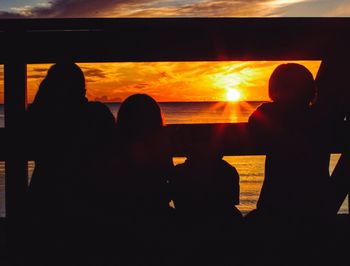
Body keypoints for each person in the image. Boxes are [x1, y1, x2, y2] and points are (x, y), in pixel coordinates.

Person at [25, 62, 115, 265]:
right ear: (83, 90)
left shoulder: (39, 118)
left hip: (44, 207)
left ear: (49, 87)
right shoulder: (96, 115)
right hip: (89, 209)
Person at [247, 63, 334, 265]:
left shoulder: (271, 115)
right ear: (310, 91)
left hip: (277, 205)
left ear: (275, 91)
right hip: (317, 207)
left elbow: (254, 124)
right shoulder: (321, 118)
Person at [113, 93, 173, 265]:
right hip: (157, 215)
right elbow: (168, 176)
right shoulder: (160, 142)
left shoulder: (117, 144)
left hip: (122, 216)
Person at [171, 141, 242, 266]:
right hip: (222, 231)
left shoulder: (179, 172)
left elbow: (177, 201)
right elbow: (232, 201)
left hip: (186, 228)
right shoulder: (228, 171)